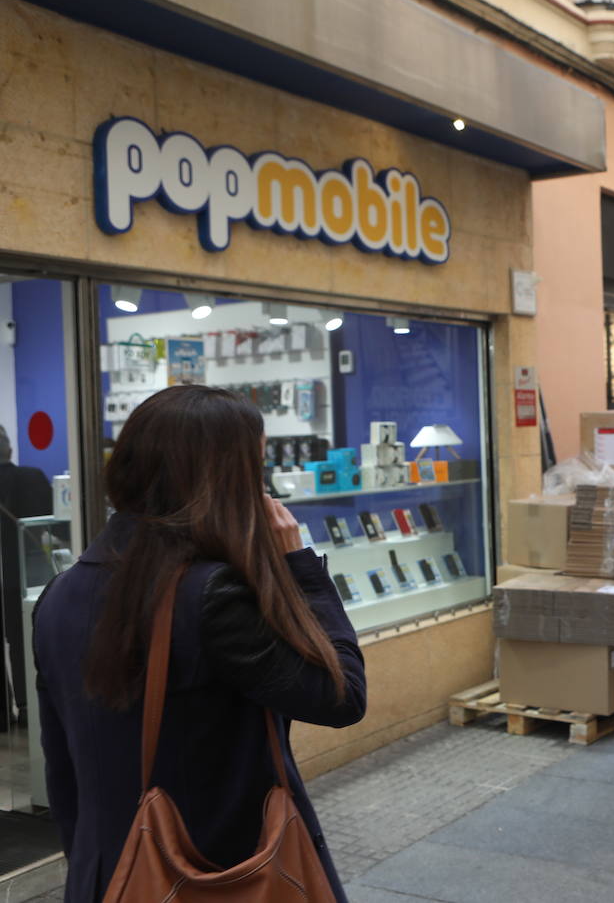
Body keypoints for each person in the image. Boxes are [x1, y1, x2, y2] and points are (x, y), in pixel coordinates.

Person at [32, 385, 367, 901]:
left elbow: (63, 773)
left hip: (110, 873)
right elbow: (340, 695)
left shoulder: (59, 594)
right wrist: (301, 568)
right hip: (218, 873)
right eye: (254, 471)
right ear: (227, 482)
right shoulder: (211, 596)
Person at [0, 425, 53, 727]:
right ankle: (28, 706)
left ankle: (5, 713)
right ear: (9, 448)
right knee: (25, 642)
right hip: (27, 578)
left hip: (9, 575)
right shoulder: (32, 478)